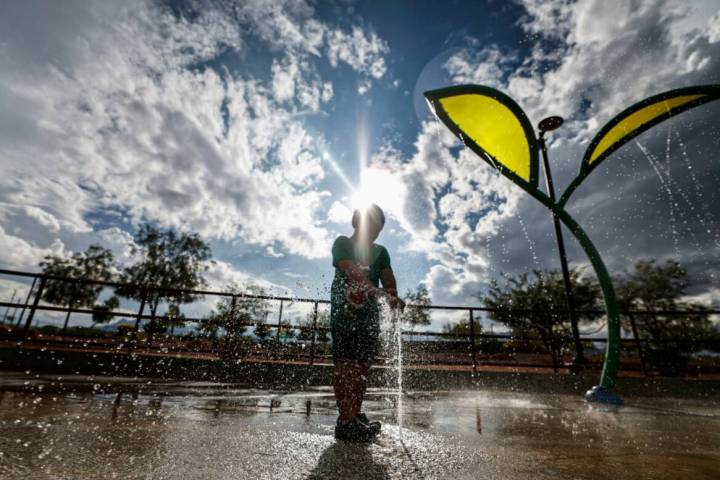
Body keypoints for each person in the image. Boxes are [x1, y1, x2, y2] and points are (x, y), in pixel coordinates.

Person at [330, 203, 405, 442]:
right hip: (344, 316)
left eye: (377, 230)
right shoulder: (343, 243)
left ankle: (356, 414)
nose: (372, 233)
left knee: (362, 367)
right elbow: (348, 268)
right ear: (355, 222)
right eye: (368, 226)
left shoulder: (380, 252)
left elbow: (387, 276)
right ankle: (345, 421)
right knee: (346, 365)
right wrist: (372, 289)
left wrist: (392, 294)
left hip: (368, 320)